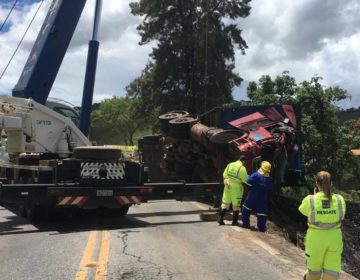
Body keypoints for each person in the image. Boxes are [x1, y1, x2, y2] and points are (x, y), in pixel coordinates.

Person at [299, 171, 346, 280]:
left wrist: (316, 196)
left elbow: (302, 210)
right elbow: (342, 215)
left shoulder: (310, 200)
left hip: (315, 239)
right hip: (334, 239)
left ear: (316, 183)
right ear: (331, 184)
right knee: (332, 273)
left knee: (314, 271)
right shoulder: (340, 199)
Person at [241, 161, 272, 232]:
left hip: (252, 196)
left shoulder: (255, 175)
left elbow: (246, 184)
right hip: (262, 199)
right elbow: (268, 189)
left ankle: (245, 225)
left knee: (245, 209)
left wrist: (250, 189)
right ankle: (261, 229)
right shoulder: (270, 179)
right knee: (262, 213)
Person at [218, 155, 248, 226]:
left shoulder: (230, 164)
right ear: (243, 161)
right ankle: (234, 222)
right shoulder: (242, 168)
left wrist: (227, 179)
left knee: (225, 203)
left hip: (227, 185)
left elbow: (224, 174)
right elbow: (245, 180)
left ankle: (220, 219)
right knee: (236, 205)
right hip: (236, 188)